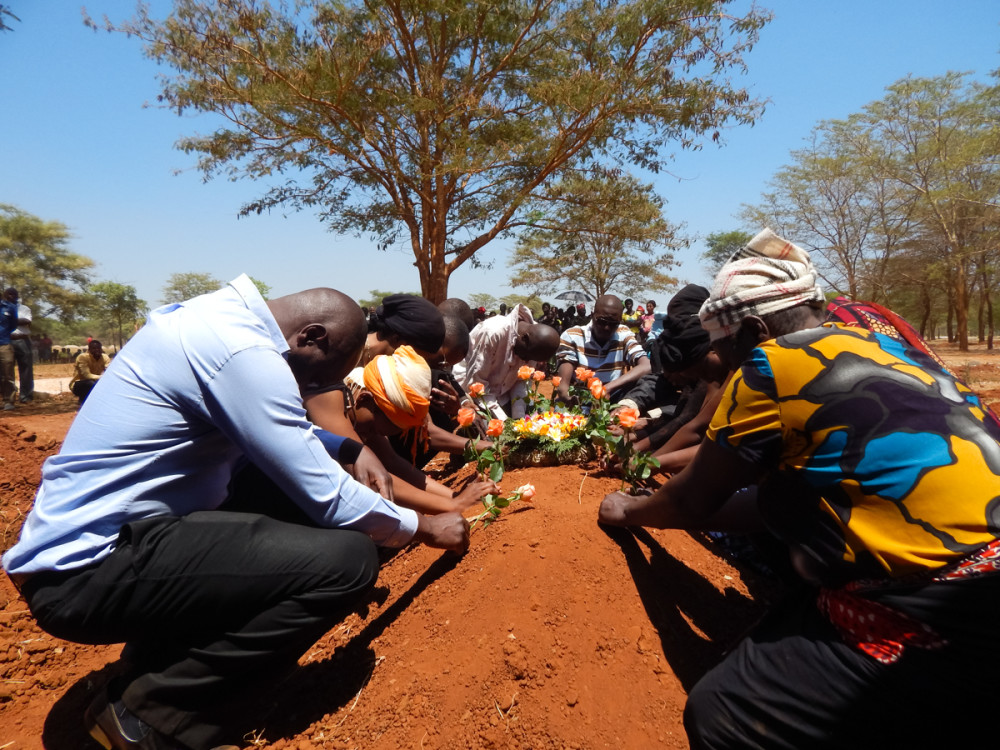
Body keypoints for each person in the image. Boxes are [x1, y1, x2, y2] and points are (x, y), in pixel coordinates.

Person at [2, 275, 469, 750]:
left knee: (275, 494)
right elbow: (327, 495)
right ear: (312, 336)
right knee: (347, 562)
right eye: (317, 377)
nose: (312, 389)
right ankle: (150, 717)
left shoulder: (219, 324)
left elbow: (285, 439)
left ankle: (149, 668)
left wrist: (346, 449)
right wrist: (425, 527)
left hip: (122, 548)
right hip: (85, 571)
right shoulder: (240, 354)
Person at [598, 229, 1000, 749]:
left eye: (724, 346)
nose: (724, 362)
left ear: (753, 331)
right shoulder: (880, 344)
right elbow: (780, 503)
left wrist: (627, 511)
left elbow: (695, 499)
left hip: (952, 606)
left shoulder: (771, 364)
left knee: (721, 710)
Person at [451, 304, 560, 419]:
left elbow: (520, 382)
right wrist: (505, 422)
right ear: (525, 338)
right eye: (526, 357)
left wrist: (519, 418)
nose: (526, 361)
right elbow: (477, 385)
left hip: (502, 395)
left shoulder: (535, 344)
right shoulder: (493, 333)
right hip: (469, 392)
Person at [554, 294, 651, 403]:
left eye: (613, 324)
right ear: (592, 315)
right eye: (602, 321)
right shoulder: (573, 335)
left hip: (609, 404)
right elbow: (563, 386)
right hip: (577, 404)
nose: (606, 327)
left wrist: (607, 388)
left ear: (620, 321)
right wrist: (567, 397)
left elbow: (646, 366)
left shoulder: (623, 334)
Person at [3, 288, 33, 403]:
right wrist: (16, 320)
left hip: (22, 340)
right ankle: (9, 398)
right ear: (5, 295)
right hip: (6, 341)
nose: (12, 296)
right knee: (6, 371)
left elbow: (27, 321)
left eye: (14, 294)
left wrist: (8, 319)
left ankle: (26, 396)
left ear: (17, 295)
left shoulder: (24, 308)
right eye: (9, 294)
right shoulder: (2, 308)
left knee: (26, 369)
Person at [69, 339, 112, 405]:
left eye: (98, 348)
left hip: (97, 382)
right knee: (90, 383)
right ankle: (83, 400)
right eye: (94, 348)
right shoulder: (82, 357)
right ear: (89, 349)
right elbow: (87, 375)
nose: (97, 350)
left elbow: (109, 371)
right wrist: (103, 377)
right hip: (79, 384)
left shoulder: (105, 357)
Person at [0, 291, 15, 410]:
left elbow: (13, 325)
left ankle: (8, 401)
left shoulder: (9, 307)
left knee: (7, 373)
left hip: (4, 344)